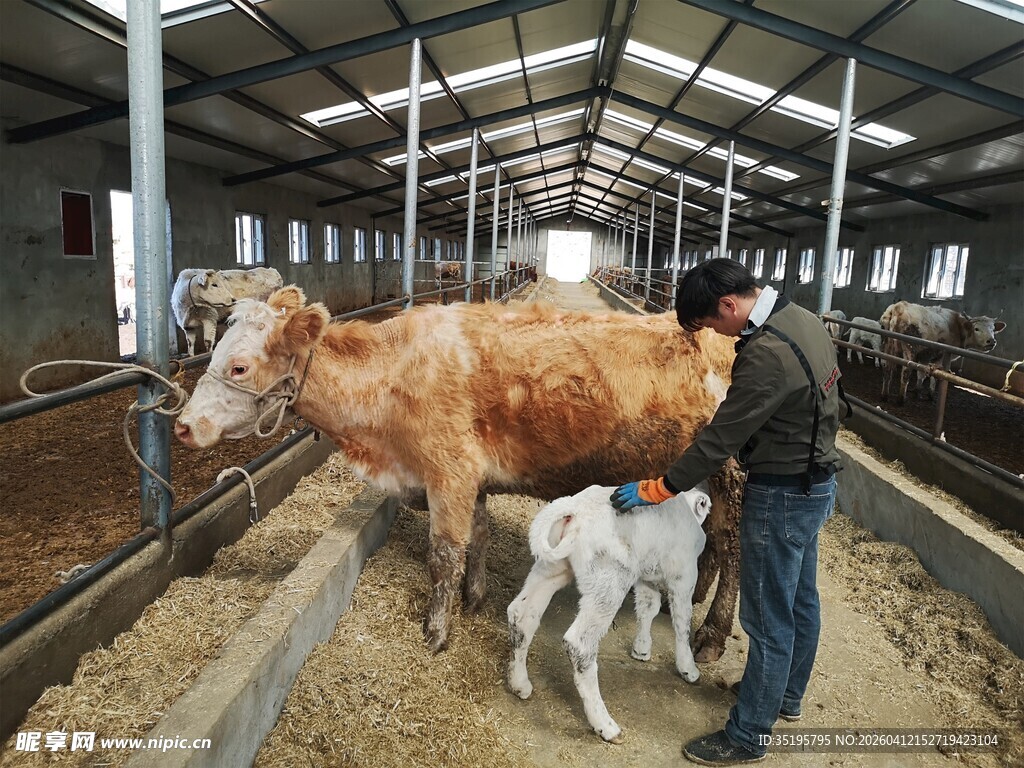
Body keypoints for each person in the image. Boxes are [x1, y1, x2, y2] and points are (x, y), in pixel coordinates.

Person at [610, 258, 847, 766]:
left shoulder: (765, 355)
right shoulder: (803, 319)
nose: (717, 335)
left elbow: (719, 440)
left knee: (766, 618)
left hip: (782, 494)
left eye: (712, 324)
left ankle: (748, 735)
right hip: (817, 483)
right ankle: (785, 697)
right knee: (800, 601)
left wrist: (660, 487)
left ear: (728, 304)